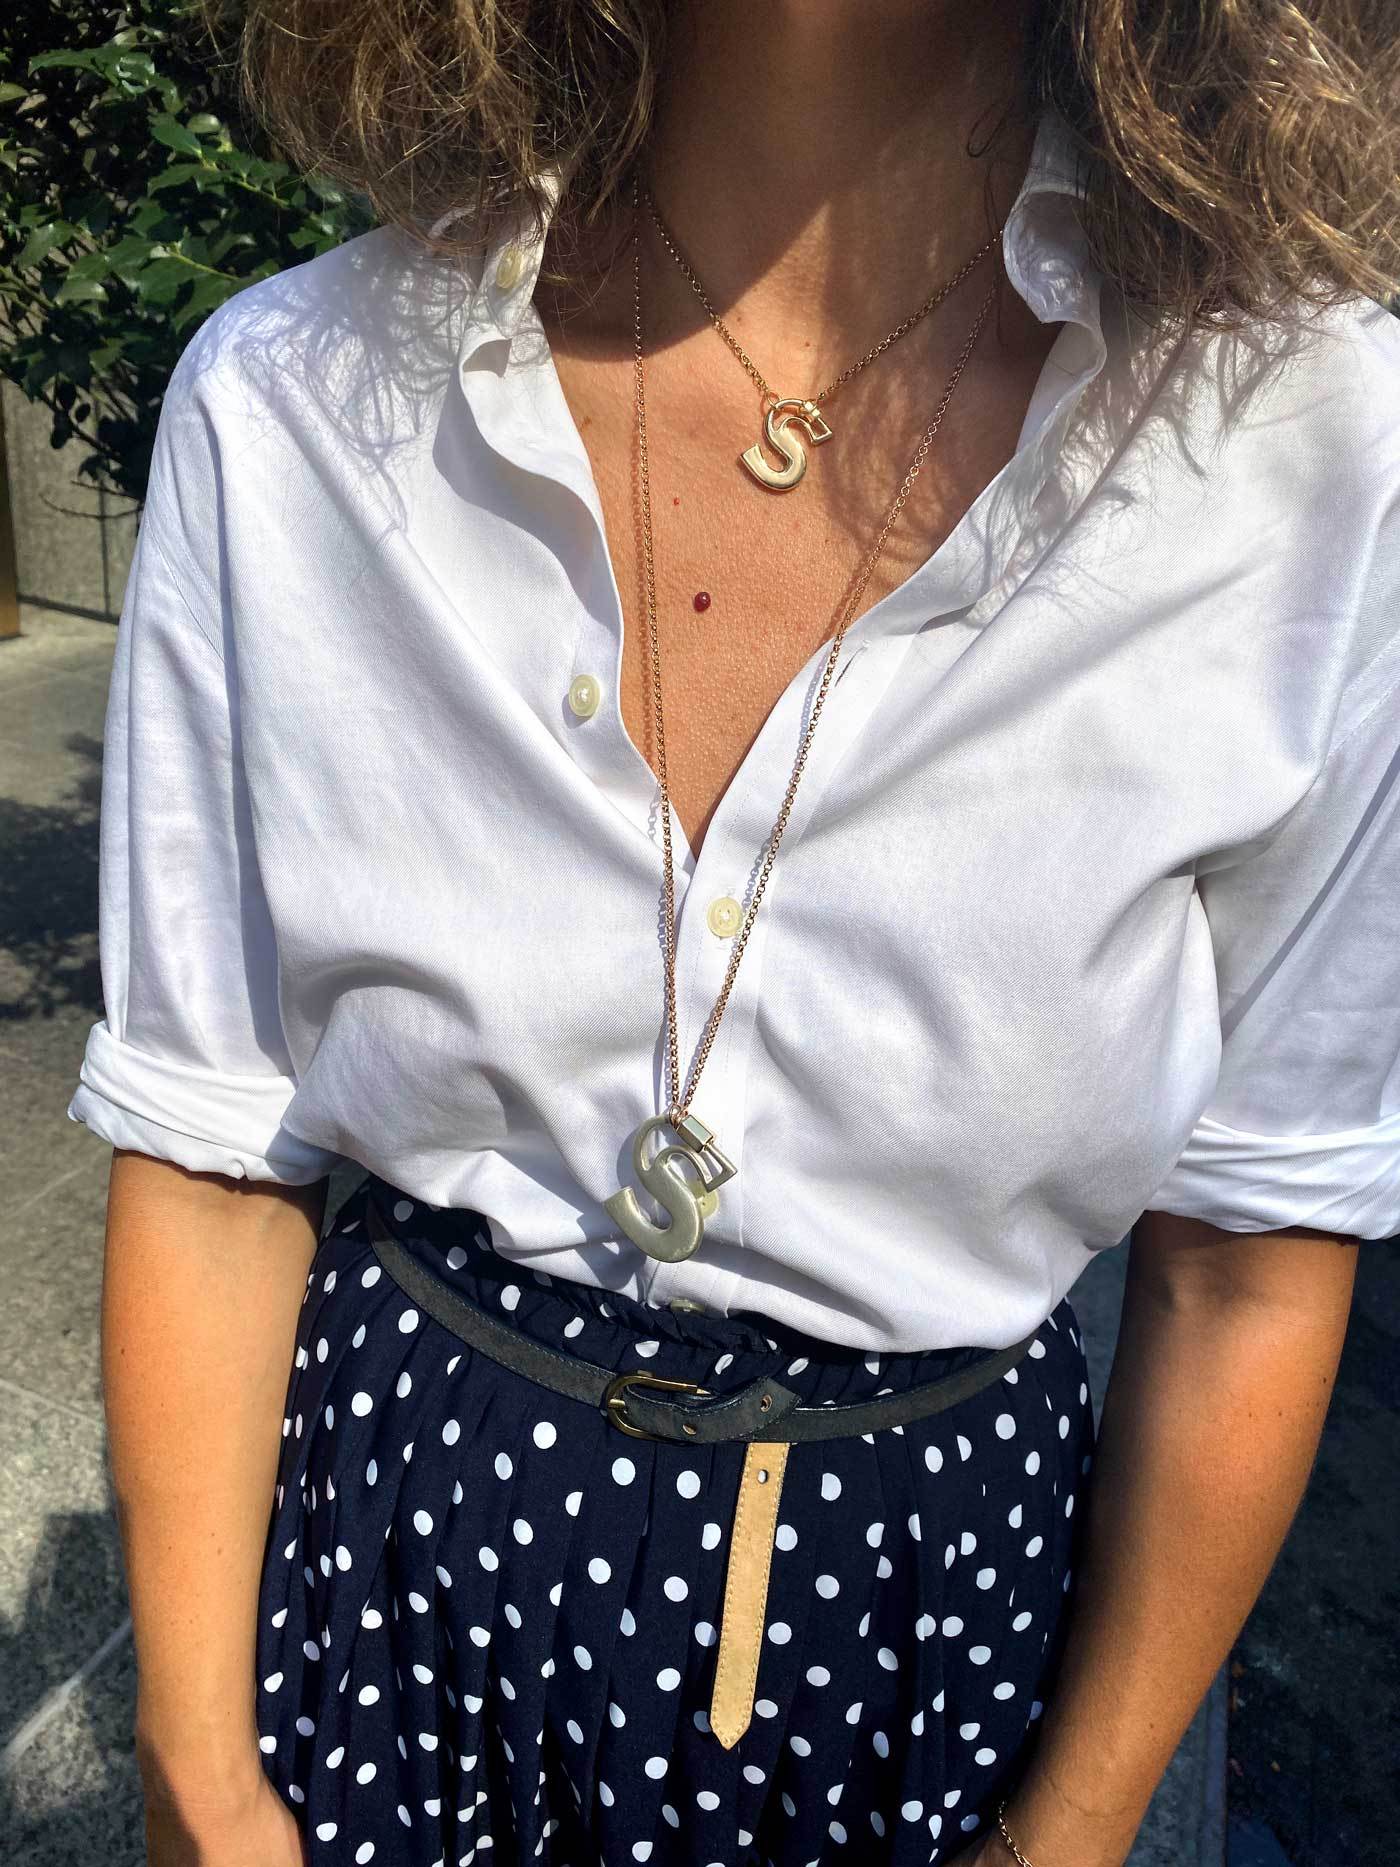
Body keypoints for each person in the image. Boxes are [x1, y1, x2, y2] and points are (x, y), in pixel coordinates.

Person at [68, 1, 1399, 1863]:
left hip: (943, 1671)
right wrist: (203, 1780)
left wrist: (1072, 1835)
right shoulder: (293, 402)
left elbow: (1250, 1251)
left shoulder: (1313, 445)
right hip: (395, 1614)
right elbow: (211, 1148)